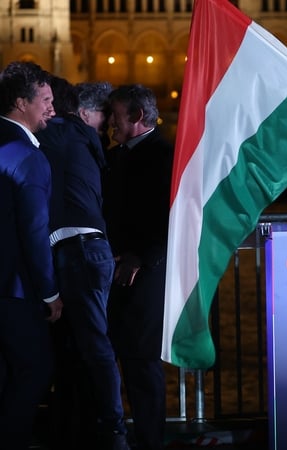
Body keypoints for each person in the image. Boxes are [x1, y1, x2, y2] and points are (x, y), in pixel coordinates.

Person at [36, 76, 129, 450]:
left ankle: (111, 430)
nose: (107, 124)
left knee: (89, 345)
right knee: (87, 345)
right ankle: (96, 426)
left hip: (77, 251)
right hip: (88, 250)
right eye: (104, 115)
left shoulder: (63, 134)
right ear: (87, 111)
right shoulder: (85, 142)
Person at [103, 84, 173, 450]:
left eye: (115, 114)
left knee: (142, 365)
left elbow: (173, 219)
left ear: (136, 117)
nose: (111, 121)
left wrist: (141, 258)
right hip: (117, 273)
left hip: (145, 278)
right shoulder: (119, 156)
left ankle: (150, 441)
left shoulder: (164, 156)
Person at [0, 60, 63, 450]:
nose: (51, 109)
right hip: (16, 289)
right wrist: (50, 293)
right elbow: (35, 232)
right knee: (36, 369)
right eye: (45, 100)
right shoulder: (28, 157)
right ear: (22, 103)